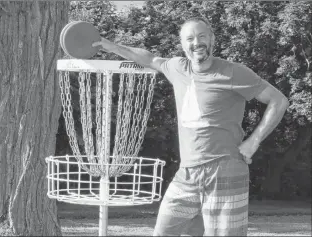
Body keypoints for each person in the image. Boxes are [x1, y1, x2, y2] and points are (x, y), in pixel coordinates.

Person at [93, 17, 289, 236]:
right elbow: (149, 58)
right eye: (190, 38)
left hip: (224, 168)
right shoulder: (177, 67)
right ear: (182, 43)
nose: (197, 42)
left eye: (202, 36)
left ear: (212, 39)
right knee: (163, 231)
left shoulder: (233, 72)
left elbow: (278, 101)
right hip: (187, 172)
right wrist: (111, 46)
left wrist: (254, 141)